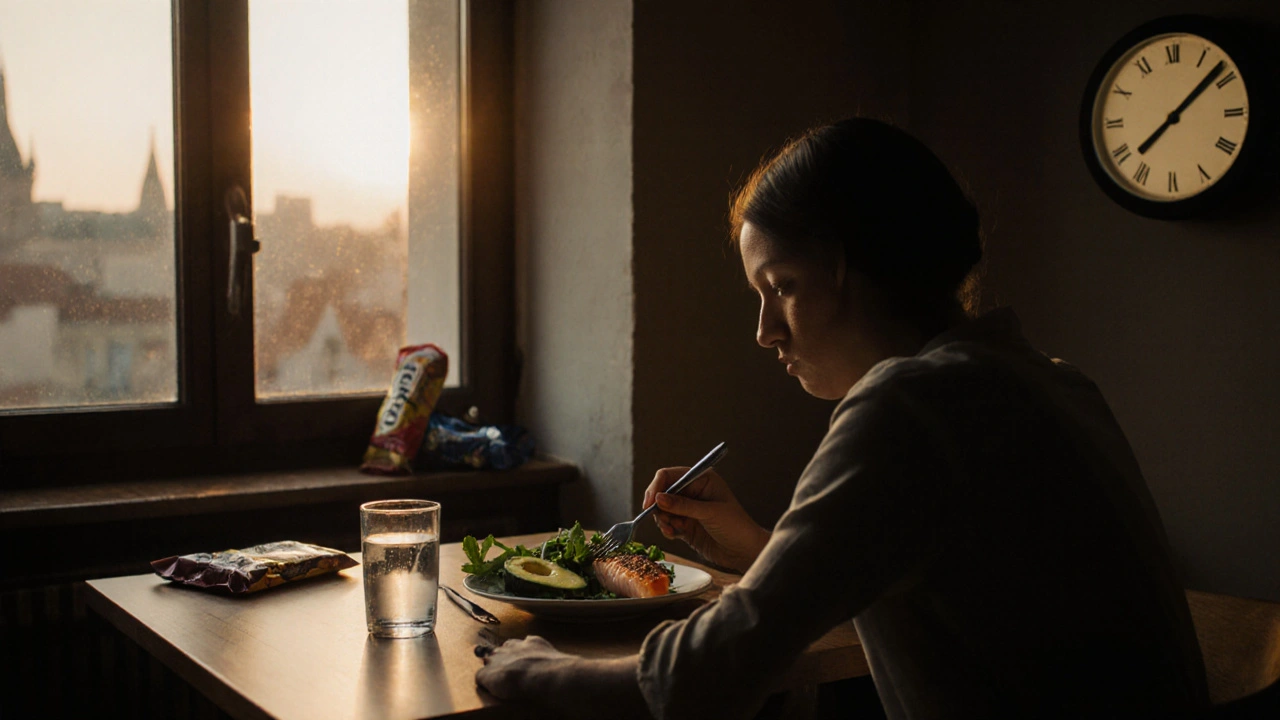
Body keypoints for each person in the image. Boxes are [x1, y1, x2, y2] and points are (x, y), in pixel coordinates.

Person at [475, 118, 1209, 720]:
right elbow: (927, 573)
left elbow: (711, 677)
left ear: (849, 266)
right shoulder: (1050, 383)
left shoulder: (909, 404)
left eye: (782, 287)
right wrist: (759, 547)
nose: (765, 330)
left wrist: (537, 668)